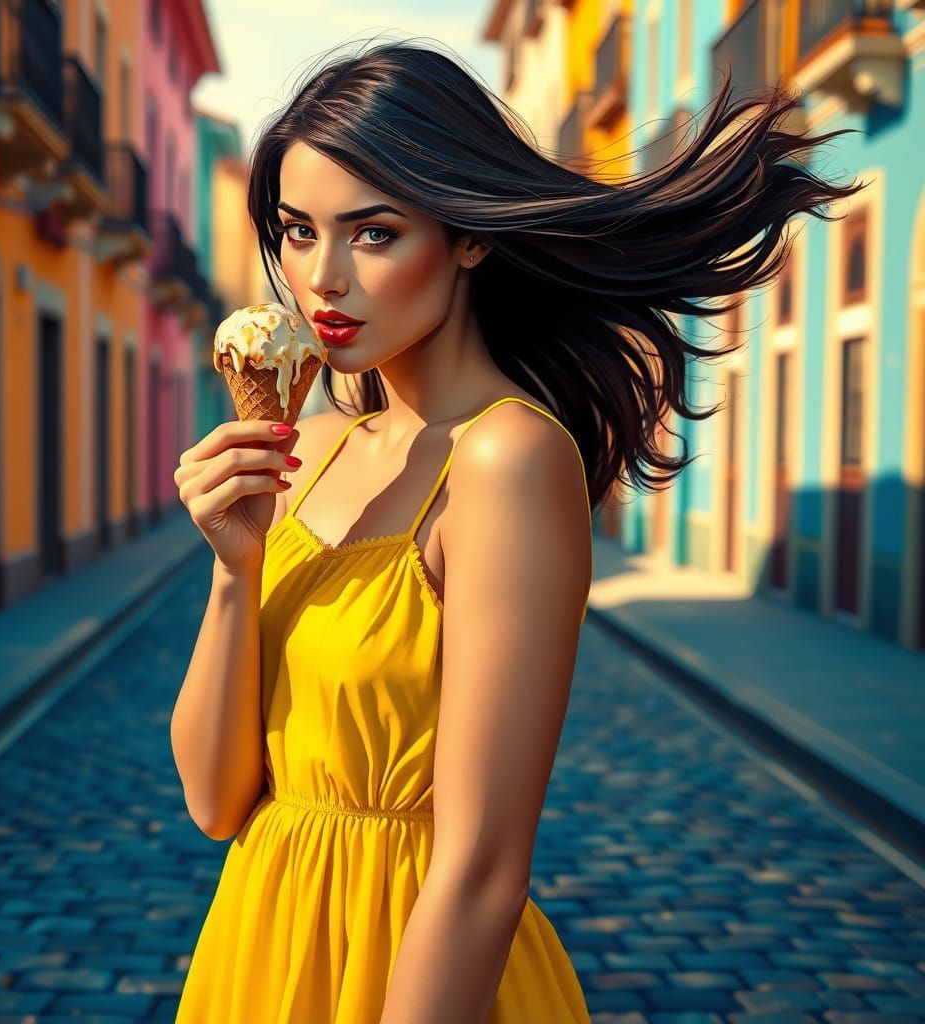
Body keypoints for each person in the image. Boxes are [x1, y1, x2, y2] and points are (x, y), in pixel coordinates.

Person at [170, 36, 860, 1024]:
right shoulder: (308, 445)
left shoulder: (508, 459)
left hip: (410, 971)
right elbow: (214, 802)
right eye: (296, 231)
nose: (322, 278)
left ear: (468, 237)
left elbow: (484, 868)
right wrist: (235, 572)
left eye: (373, 233)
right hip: (257, 951)